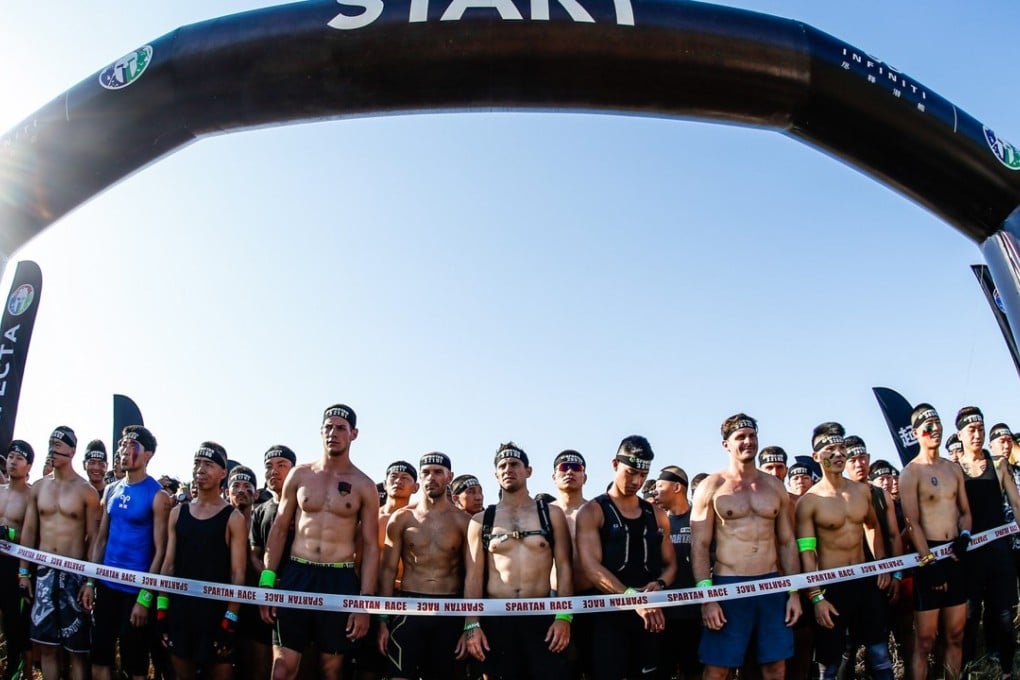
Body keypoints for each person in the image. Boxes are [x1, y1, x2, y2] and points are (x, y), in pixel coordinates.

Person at [260, 404, 379, 680]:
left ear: (354, 434)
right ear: (320, 431)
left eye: (341, 428)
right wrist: (267, 583)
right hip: (297, 574)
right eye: (328, 427)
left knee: (331, 670)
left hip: (338, 579)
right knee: (281, 671)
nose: (333, 433)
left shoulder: (364, 485)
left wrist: (365, 602)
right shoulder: (300, 475)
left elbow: (372, 546)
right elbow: (278, 530)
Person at [691, 414, 801, 680]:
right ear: (725, 444)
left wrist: (793, 592)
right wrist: (707, 598)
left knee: (776, 667)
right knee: (717, 669)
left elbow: (787, 543)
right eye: (740, 437)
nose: (748, 441)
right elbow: (699, 546)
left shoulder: (774, 486)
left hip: (771, 586)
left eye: (752, 436)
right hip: (729, 585)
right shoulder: (712, 486)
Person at [463, 442, 574, 678]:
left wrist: (564, 617)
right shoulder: (482, 520)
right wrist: (472, 624)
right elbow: (473, 575)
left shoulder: (550, 513)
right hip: (497, 619)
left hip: (541, 617)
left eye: (514, 464)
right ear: (495, 474)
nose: (508, 469)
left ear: (528, 471)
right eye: (502, 465)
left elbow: (564, 567)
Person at [796, 422, 894, 680]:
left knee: (879, 652)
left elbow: (873, 526)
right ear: (817, 456)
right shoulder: (809, 502)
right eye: (831, 449)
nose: (839, 455)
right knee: (829, 663)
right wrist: (816, 598)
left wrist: (881, 563)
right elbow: (807, 553)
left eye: (841, 448)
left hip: (865, 581)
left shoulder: (862, 491)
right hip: (832, 586)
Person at [576, 435, 676, 680]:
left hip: (651, 615)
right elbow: (590, 567)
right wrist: (631, 598)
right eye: (630, 472)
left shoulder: (657, 514)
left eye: (643, 475)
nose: (637, 481)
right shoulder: (593, 511)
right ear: (615, 464)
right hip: (609, 616)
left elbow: (671, 563)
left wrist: (661, 583)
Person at [87, 426, 171, 680]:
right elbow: (101, 540)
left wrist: (145, 597)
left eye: (131, 446)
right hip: (106, 588)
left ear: (148, 455)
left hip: (135, 592)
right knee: (100, 658)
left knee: (134, 665)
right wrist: (91, 581)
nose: (123, 450)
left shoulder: (158, 495)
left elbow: (161, 550)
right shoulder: (112, 490)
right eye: (121, 445)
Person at [158, 442, 247, 680]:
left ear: (223, 473)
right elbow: (168, 564)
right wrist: (161, 611)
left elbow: (238, 573)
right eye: (197, 463)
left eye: (208, 464)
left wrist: (230, 618)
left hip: (215, 614)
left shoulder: (233, 518)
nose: (200, 469)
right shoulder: (178, 512)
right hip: (181, 611)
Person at [18, 426, 101, 680]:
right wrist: (23, 571)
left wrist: (89, 580)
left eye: (59, 446)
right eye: (51, 444)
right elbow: (30, 530)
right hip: (43, 573)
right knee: (46, 648)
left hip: (73, 576)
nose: (53, 450)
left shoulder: (86, 491)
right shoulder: (39, 487)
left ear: (72, 451)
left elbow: (95, 538)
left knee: (76, 650)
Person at [377, 452, 469, 679]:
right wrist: (382, 620)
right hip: (409, 609)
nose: (431, 478)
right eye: (426, 472)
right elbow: (387, 570)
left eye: (438, 472)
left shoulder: (464, 521)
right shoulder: (402, 518)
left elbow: (472, 575)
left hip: (450, 611)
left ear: (450, 477)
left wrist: (469, 625)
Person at [899, 404, 972, 680]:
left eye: (937, 423)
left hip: (955, 555)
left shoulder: (953, 469)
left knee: (956, 635)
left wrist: (964, 537)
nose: (934, 430)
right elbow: (911, 522)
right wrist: (929, 562)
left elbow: (965, 512)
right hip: (927, 557)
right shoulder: (910, 473)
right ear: (917, 433)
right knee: (925, 641)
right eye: (927, 427)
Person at [953, 407, 1020, 678]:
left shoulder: (999, 464)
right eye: (971, 430)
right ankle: (968, 670)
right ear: (960, 434)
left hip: (999, 552)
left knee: (1004, 615)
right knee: (969, 617)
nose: (977, 434)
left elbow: (1016, 503)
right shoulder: (954, 470)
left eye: (981, 429)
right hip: (969, 555)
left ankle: (1006, 671)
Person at [250, 446, 298, 680]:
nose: (274, 471)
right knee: (263, 665)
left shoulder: (304, 508)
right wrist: (269, 580)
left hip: (299, 595)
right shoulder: (261, 511)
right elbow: (254, 553)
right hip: (266, 596)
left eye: (281, 465)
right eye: (269, 466)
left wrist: (289, 583)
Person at [653, 465, 700, 680]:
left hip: (696, 614)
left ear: (677, 487)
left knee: (694, 671)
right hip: (664, 615)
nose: (655, 492)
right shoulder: (657, 522)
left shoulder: (699, 520)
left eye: (660, 486)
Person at [0, 440, 35, 680]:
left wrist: (10, 535)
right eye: (11, 456)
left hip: (15, 568)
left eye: (19, 458)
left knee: (15, 627)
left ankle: (16, 671)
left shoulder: (31, 497)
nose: (13, 461)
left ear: (28, 466)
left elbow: (32, 535)